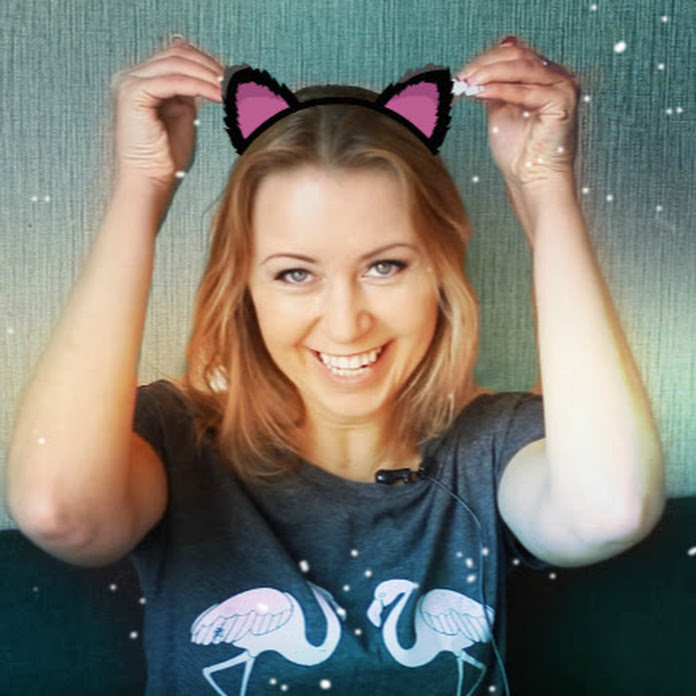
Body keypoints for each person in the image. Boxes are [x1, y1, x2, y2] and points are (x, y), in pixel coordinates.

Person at [6, 35, 664, 695]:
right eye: (295, 273)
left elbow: (609, 510)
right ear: (244, 290)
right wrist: (140, 188)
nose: (347, 323)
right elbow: (59, 509)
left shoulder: (489, 449)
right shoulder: (177, 438)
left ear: (439, 274)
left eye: (386, 266)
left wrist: (544, 188)